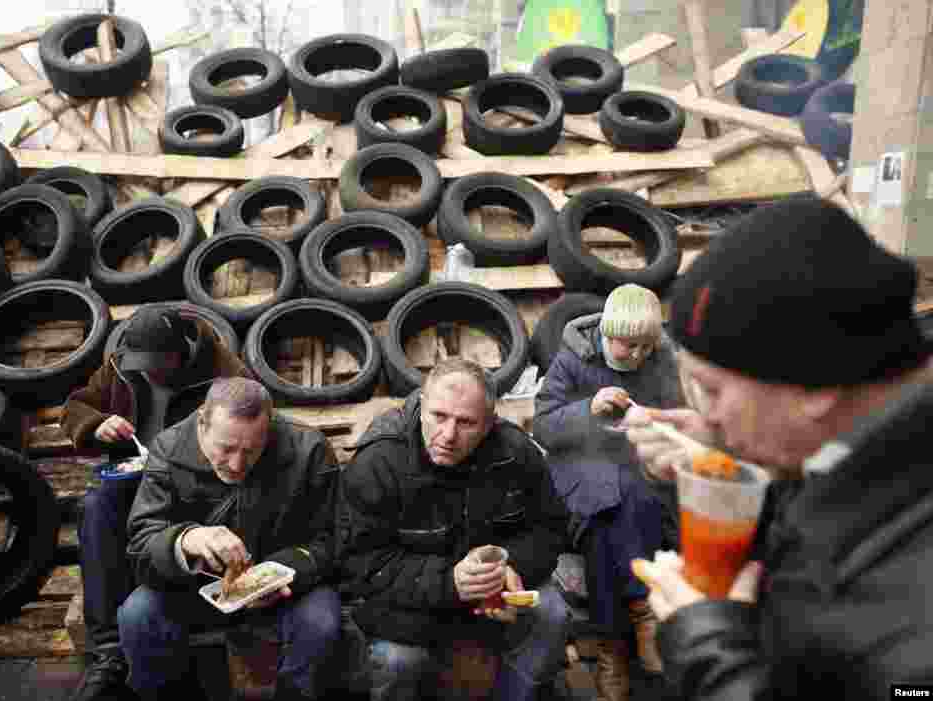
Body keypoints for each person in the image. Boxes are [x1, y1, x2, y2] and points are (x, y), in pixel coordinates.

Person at [624, 196, 933, 700]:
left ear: (814, 386)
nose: (710, 416)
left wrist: (710, 651)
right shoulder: (854, 446)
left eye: (715, 391)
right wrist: (736, 462)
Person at [337, 358, 571, 701]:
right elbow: (358, 563)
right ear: (422, 406)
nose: (447, 435)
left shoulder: (515, 452)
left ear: (489, 423)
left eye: (466, 423)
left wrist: (508, 563)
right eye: (438, 417)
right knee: (398, 660)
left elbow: (551, 527)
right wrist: (450, 581)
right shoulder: (379, 462)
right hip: (409, 603)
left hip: (493, 591)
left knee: (552, 614)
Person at [61, 308, 253, 701]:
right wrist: (96, 424)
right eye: (140, 364)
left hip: (196, 484)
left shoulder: (224, 373)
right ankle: (109, 652)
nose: (149, 372)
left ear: (182, 351)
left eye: (158, 364)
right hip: (134, 478)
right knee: (97, 505)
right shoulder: (120, 365)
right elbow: (75, 407)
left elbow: (252, 428)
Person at [119, 377, 341, 701]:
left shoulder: (309, 451)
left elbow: (332, 538)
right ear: (202, 423)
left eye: (251, 451)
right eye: (225, 449)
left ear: (270, 428)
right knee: (138, 614)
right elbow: (140, 544)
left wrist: (277, 572)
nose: (237, 465)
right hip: (196, 588)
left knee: (322, 621)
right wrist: (185, 540)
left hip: (287, 589)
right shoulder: (167, 449)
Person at [533, 284, 685, 701]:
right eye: (627, 346)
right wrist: (588, 410)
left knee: (615, 510)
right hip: (579, 471)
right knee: (608, 496)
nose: (636, 356)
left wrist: (652, 422)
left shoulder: (661, 359)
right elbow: (543, 426)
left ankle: (610, 652)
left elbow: (678, 414)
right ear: (606, 332)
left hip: (639, 471)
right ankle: (643, 612)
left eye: (645, 347)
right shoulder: (574, 357)